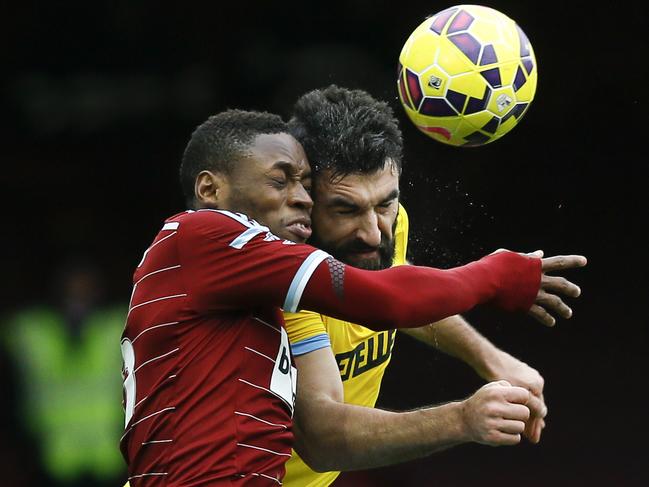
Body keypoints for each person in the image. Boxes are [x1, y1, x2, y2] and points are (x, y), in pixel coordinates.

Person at [120, 109, 585, 486]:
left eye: (385, 204)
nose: (299, 198)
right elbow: (383, 306)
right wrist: (496, 275)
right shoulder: (219, 239)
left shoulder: (270, 262)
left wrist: (489, 358)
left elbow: (397, 288)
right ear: (210, 189)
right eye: (281, 181)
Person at [282, 85, 556, 486]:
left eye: (385, 204)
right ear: (303, 199)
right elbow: (320, 439)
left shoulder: (388, 227)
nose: (374, 234)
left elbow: (396, 297)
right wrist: (462, 419)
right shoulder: (284, 272)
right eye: (346, 210)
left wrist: (489, 357)